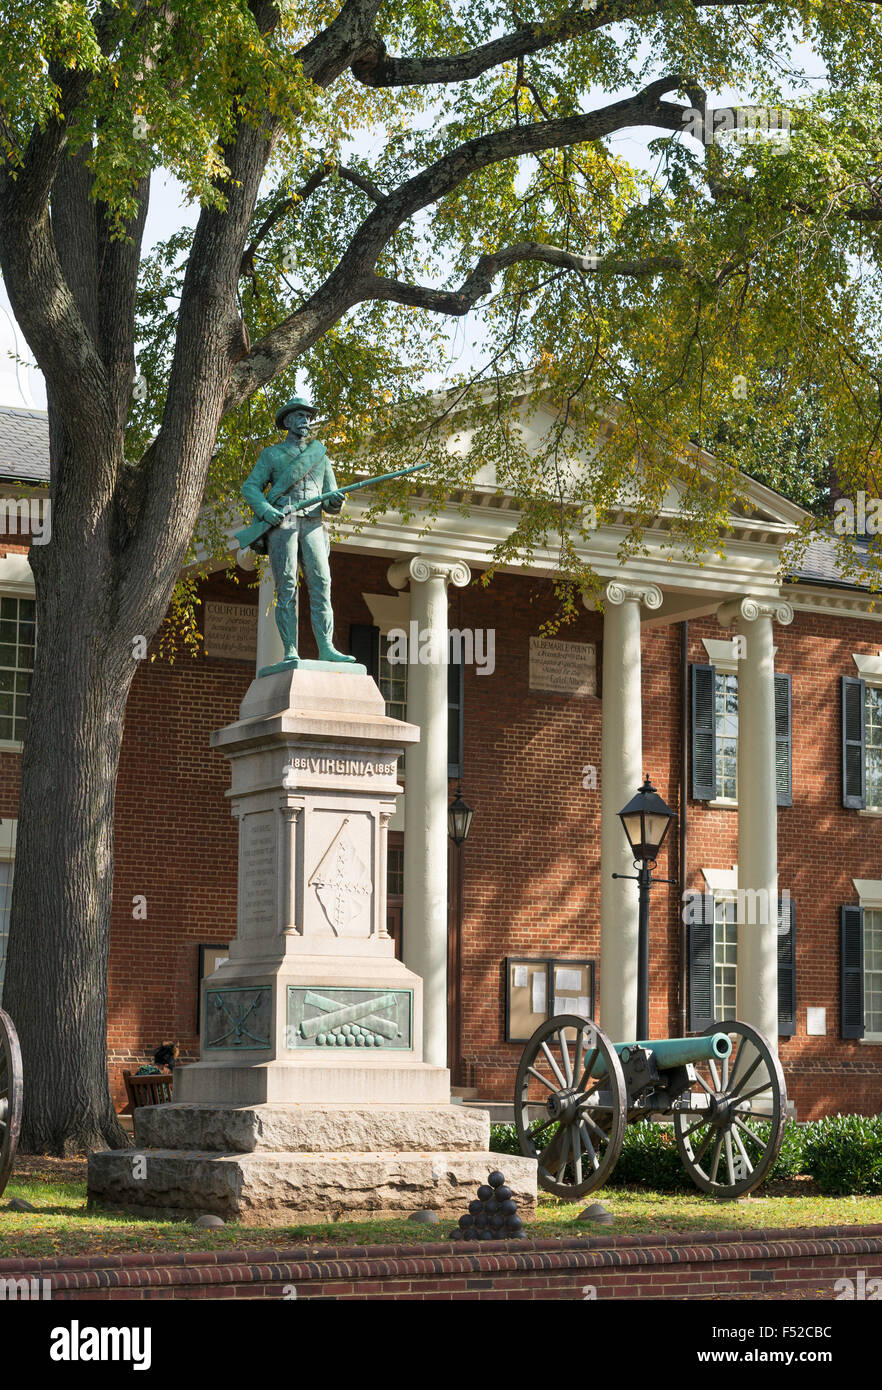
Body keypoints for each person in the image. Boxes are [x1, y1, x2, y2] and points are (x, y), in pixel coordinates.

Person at [239, 396, 356, 666]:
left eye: (308, 417)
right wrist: (267, 511)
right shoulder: (272, 455)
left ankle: (326, 647)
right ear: (288, 421)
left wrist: (335, 501)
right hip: (285, 523)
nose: (306, 422)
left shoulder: (321, 456)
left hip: (313, 523)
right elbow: (251, 487)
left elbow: (330, 499)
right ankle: (290, 648)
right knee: (288, 586)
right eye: (300, 416)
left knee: (322, 584)